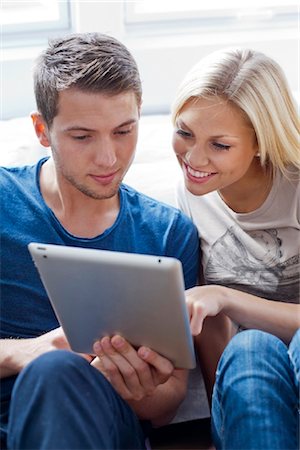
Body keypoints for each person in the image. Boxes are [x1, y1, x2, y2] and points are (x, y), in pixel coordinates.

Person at [0, 32, 200, 449]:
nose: (109, 158)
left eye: (123, 131)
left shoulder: (167, 233)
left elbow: (167, 405)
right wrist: (24, 352)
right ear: (42, 129)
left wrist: (136, 386)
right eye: (83, 137)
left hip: (104, 432)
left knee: (57, 375)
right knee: (52, 368)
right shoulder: (4, 202)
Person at [171, 47, 300, 448]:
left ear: (260, 143)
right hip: (248, 396)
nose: (194, 157)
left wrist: (225, 297)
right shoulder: (193, 193)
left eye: (219, 145)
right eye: (185, 132)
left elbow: (216, 301)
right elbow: (207, 322)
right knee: (249, 348)